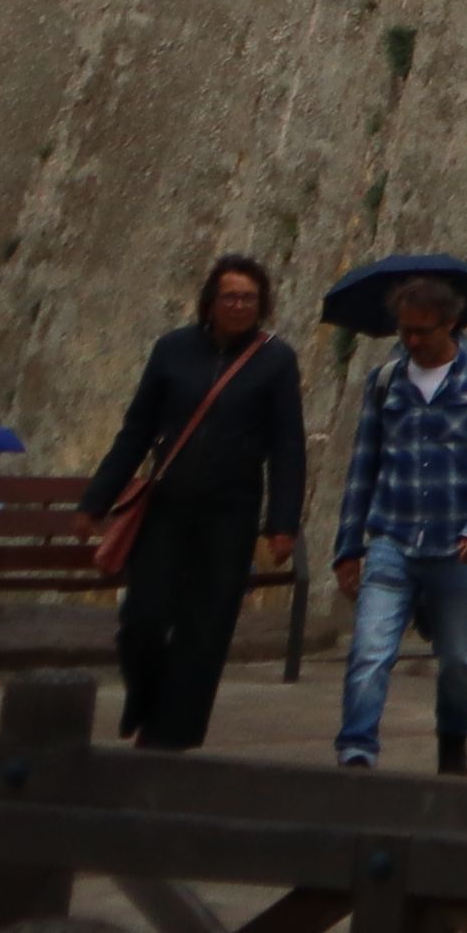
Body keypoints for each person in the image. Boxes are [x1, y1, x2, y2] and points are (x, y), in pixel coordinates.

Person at [82, 254, 305, 750]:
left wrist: (282, 521)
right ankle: (145, 699)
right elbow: (137, 430)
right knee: (143, 619)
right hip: (166, 508)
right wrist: (97, 499)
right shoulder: (172, 351)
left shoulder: (276, 361)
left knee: (204, 631)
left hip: (230, 513)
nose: (240, 305)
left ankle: (171, 735)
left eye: (249, 297)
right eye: (230, 296)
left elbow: (288, 446)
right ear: (210, 301)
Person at [329, 264, 467, 773]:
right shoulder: (385, 381)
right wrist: (348, 547)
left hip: (457, 545)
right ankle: (356, 750)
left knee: (459, 661)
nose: (412, 340)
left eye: (422, 330)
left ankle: (453, 739)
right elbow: (362, 466)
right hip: (393, 538)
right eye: (404, 330)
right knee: (370, 653)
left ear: (449, 324)